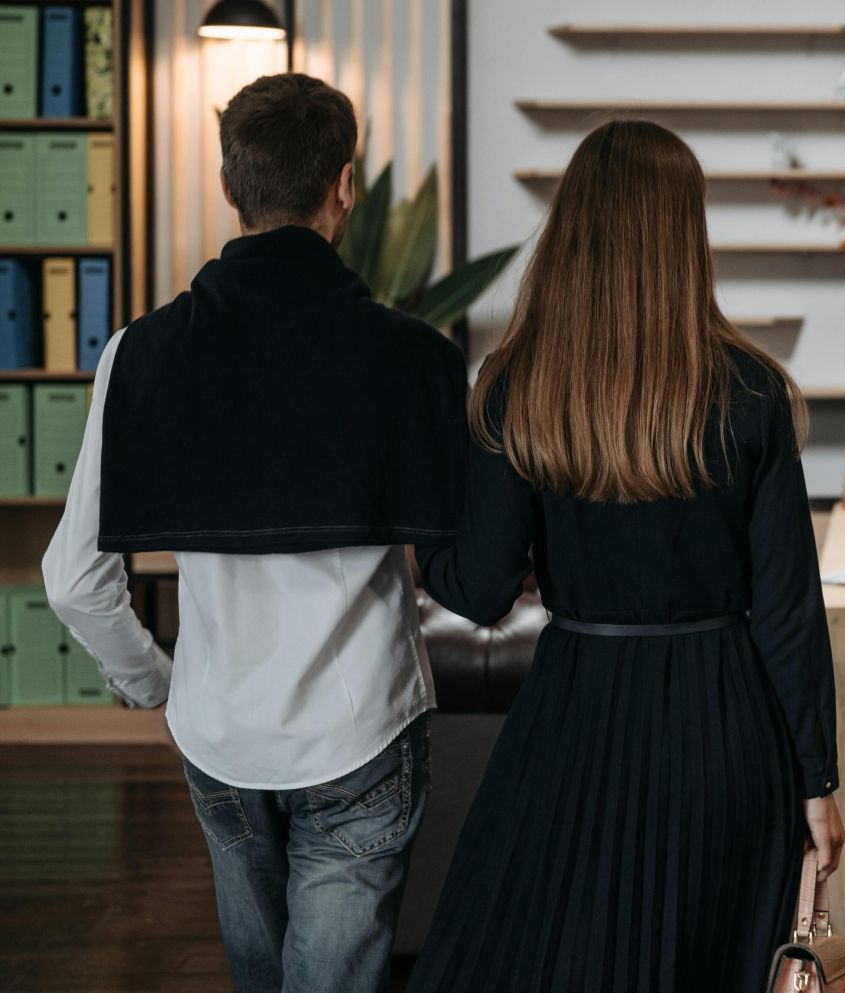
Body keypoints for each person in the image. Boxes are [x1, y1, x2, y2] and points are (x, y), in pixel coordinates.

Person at [42, 74, 465, 992]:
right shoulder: (418, 359)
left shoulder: (137, 353)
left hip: (219, 736)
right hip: (361, 732)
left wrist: (153, 679)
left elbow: (74, 579)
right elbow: (466, 565)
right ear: (345, 185)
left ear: (230, 186)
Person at [403, 120, 844, 993]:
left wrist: (423, 538)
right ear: (687, 231)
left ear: (574, 224)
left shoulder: (517, 383)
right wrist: (817, 781)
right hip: (729, 729)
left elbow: (482, 590)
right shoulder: (755, 392)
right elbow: (790, 610)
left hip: (575, 711)